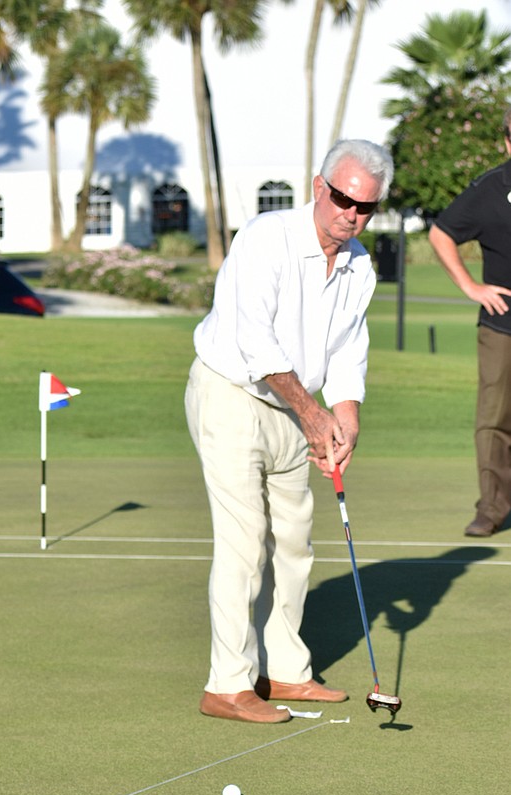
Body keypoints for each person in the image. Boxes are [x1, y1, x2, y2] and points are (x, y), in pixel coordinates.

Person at [185, 138, 394, 724]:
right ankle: (227, 684)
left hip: (293, 409)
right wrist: (311, 413)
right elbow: (255, 342)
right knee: (245, 542)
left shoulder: (359, 267)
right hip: (231, 394)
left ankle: (285, 670)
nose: (351, 213)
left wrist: (345, 414)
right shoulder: (264, 238)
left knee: (296, 543)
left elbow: (349, 350)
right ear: (317, 186)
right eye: (342, 198)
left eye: (365, 207)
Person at [428, 110, 511, 538]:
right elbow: (441, 234)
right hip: (503, 327)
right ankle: (493, 508)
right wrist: (471, 287)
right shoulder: (489, 190)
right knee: (493, 421)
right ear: (508, 141)